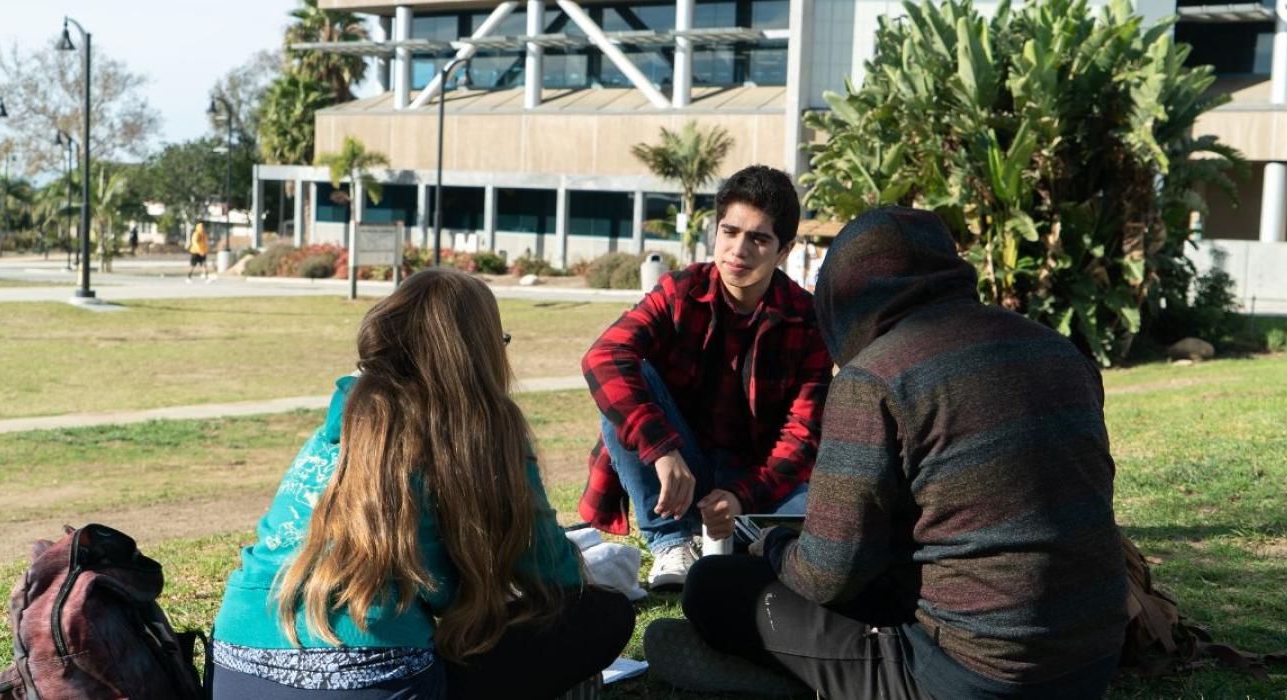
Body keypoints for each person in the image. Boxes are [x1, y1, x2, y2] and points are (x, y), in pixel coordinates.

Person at [650, 206, 1127, 699]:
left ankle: (797, 681)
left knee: (714, 586)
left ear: (843, 294)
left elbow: (826, 576)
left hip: (974, 676)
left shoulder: (876, 376)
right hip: (1094, 658)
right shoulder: (1059, 351)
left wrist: (770, 545)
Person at [212, 268, 635, 699]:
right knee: (600, 615)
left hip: (235, 666)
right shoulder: (484, 430)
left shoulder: (339, 424)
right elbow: (551, 573)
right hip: (372, 678)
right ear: (480, 352)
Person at [579, 165, 833, 590]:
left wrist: (741, 496)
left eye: (758, 238)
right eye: (729, 231)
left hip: (755, 478)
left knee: (813, 519)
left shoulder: (807, 320)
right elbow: (603, 357)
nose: (738, 250)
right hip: (676, 466)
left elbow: (802, 437)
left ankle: (739, 533)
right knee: (626, 376)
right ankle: (671, 541)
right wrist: (661, 449)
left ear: (784, 249)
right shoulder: (680, 291)